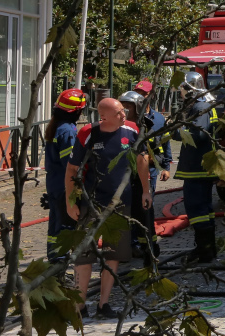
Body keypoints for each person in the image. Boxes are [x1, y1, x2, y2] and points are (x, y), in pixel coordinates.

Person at [65, 97, 151, 319]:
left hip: (121, 204)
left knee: (114, 254)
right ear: (104, 116)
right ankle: (79, 305)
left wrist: (145, 190)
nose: (124, 114)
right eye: (119, 111)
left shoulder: (132, 130)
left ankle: (104, 305)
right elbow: (72, 168)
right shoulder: (88, 133)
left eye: (123, 110)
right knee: (83, 255)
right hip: (90, 203)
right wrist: (70, 200)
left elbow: (142, 160)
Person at [172, 71, 219, 263]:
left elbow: (197, 135)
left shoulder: (201, 107)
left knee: (196, 208)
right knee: (205, 209)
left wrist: (176, 130)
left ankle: (204, 251)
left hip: (197, 167)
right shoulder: (205, 105)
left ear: (190, 89)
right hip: (202, 165)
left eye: (182, 90)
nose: (181, 94)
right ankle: (207, 249)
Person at [121, 87, 172, 266]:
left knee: (145, 216)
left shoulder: (147, 126)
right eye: (123, 106)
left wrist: (160, 163)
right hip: (122, 181)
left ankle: (149, 250)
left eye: (128, 107)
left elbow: (160, 150)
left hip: (144, 178)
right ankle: (127, 248)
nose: (125, 111)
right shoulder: (116, 127)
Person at [42, 88, 87, 262]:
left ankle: (54, 260)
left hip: (54, 183)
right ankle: (59, 263)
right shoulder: (68, 131)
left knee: (55, 225)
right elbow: (70, 164)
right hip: (64, 185)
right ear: (76, 111)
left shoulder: (56, 127)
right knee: (65, 225)